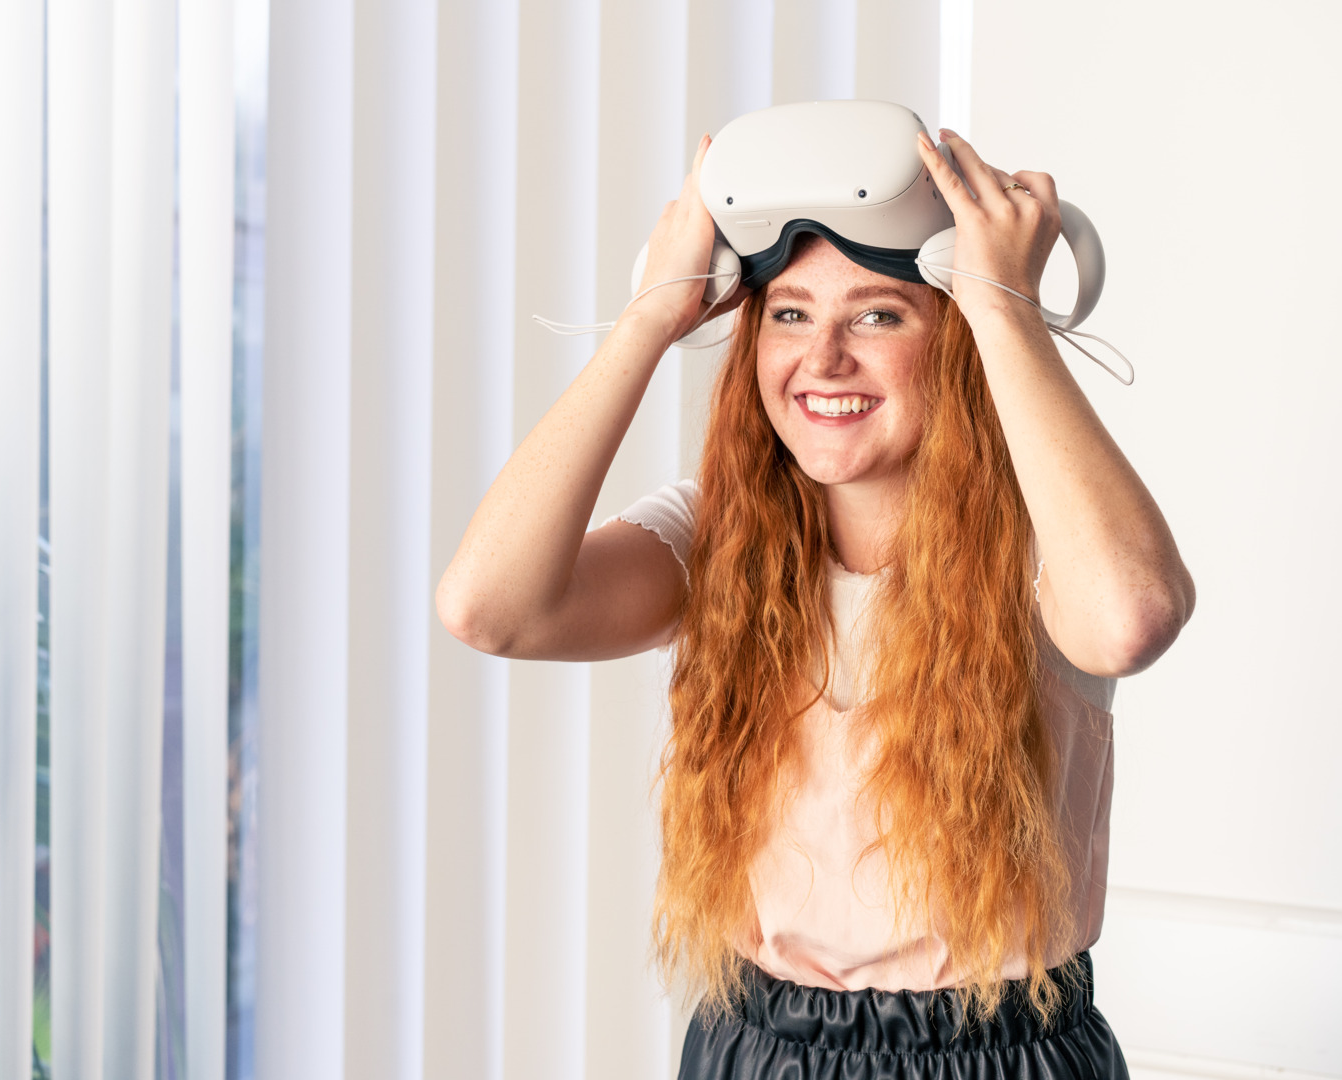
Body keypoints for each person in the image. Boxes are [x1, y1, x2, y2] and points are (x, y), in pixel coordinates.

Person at [437, 126, 1194, 1079]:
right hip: (756, 1046)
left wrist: (1005, 308)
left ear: (957, 337)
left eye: (878, 316)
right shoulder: (715, 534)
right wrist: (649, 318)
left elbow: (1131, 618)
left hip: (995, 1053)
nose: (823, 358)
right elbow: (488, 607)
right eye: (789, 314)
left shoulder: (1049, 540)